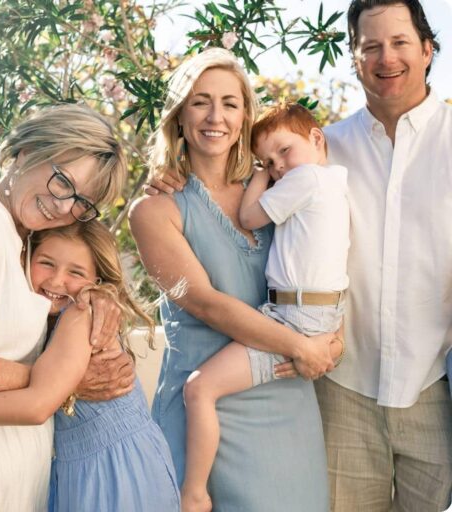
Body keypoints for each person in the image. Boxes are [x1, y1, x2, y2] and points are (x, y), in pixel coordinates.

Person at [129, 48, 338, 512]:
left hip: (288, 399)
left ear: (245, 116)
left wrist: (333, 340)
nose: (215, 117)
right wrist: (302, 346)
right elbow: (205, 303)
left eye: (229, 103)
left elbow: (322, 268)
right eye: (200, 102)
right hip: (206, 409)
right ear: (179, 115)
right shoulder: (155, 210)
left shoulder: (280, 192)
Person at [0, 103, 134, 511]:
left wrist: (97, 295)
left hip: (14, 485)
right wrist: (63, 382)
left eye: (82, 202)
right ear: (28, 150)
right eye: (63, 181)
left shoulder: (22, 233)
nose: (64, 207)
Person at [315, 1, 451, 509]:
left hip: (436, 388)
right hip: (342, 390)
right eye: (370, 46)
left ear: (427, 50)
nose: (386, 58)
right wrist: (174, 174)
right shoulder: (323, 149)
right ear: (354, 58)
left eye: (399, 43)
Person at [179, 102, 348, 512]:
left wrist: (257, 175)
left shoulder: (305, 178)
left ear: (317, 138)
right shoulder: (335, 181)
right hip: (321, 311)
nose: (278, 168)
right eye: (268, 162)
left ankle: (194, 493)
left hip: (294, 316)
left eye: (283, 152)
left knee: (200, 389)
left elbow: (249, 217)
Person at [0, 222, 180, 511]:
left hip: (112, 468)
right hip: (89, 466)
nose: (57, 281)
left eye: (76, 272)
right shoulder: (45, 321)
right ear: (26, 260)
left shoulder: (80, 313)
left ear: (96, 279)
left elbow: (36, 406)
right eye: (46, 263)